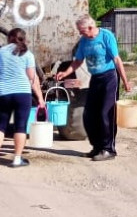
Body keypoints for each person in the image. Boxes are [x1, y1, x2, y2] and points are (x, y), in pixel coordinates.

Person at [56, 14, 131, 161]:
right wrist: (65, 73)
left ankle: (108, 149)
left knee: (105, 114)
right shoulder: (84, 41)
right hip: (95, 79)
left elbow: (117, 59)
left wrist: (125, 81)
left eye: (81, 30)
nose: (80, 33)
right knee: (89, 115)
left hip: (109, 78)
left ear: (91, 28)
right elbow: (78, 61)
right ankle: (97, 147)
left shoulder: (106, 36)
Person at [0, 28, 45, 169]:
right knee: (20, 126)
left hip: (3, 92)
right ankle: (17, 160)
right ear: (23, 39)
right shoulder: (28, 54)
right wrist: (40, 98)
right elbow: (32, 78)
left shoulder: (0, 52)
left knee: (0, 124)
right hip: (22, 93)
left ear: (9, 38)